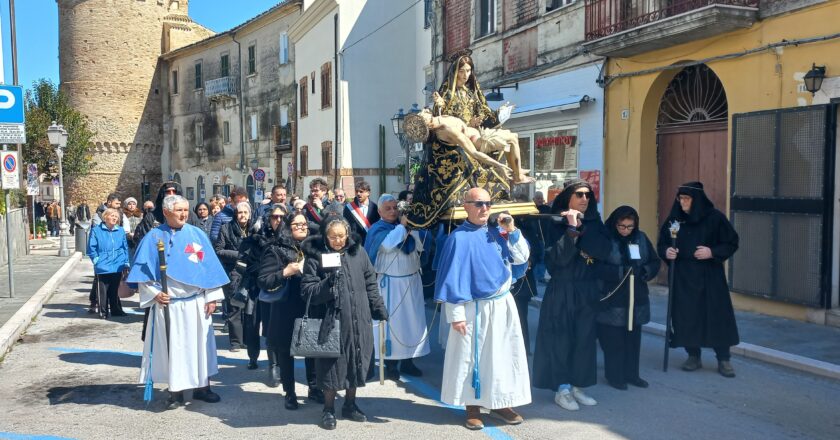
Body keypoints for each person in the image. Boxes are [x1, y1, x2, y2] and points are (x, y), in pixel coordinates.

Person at [434, 188, 531, 430]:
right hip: (472, 309)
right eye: (478, 203)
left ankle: (499, 403)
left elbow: (522, 258)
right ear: (465, 206)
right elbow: (453, 278)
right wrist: (455, 316)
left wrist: (512, 230)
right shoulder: (458, 238)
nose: (484, 208)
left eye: (487, 203)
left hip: (502, 304)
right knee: (472, 359)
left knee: (502, 356)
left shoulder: (499, 232)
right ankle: (473, 407)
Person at [128, 195, 228, 409]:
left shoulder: (197, 235)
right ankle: (176, 392)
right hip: (168, 304)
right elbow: (143, 273)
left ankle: (203, 387)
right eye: (179, 210)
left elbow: (208, 268)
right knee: (174, 348)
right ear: (166, 212)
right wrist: (155, 293)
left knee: (200, 346)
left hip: (195, 303)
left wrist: (212, 296)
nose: (184, 214)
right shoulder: (153, 237)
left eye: (186, 210)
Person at [300, 217, 388, 430]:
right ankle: (328, 409)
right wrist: (328, 284)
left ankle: (350, 404)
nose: (338, 241)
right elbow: (307, 291)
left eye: (341, 236)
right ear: (325, 236)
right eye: (333, 237)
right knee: (332, 366)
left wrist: (378, 308)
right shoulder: (316, 256)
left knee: (356, 360)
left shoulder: (358, 252)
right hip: (331, 321)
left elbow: (370, 282)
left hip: (360, 317)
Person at [532, 179, 611, 412]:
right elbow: (556, 260)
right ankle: (562, 388)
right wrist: (572, 229)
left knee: (585, 339)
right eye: (579, 194)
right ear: (568, 197)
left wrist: (583, 229)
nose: (585, 198)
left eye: (588, 194)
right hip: (562, 288)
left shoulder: (596, 222)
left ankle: (579, 385)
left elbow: (603, 251)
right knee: (561, 339)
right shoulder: (555, 222)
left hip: (586, 289)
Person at [657, 181, 740, 378]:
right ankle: (693, 355)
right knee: (687, 315)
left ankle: (723, 358)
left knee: (717, 316)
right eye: (681, 198)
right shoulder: (674, 220)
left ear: (697, 200)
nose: (683, 202)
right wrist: (667, 252)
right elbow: (663, 243)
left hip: (710, 275)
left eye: (687, 199)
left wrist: (712, 251)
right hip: (683, 275)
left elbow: (731, 242)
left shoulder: (715, 218)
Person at [258, 211, 324, 409]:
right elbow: (264, 280)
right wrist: (286, 272)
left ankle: (314, 388)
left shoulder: (315, 248)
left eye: (304, 224)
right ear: (288, 227)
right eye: (296, 225)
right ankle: (290, 393)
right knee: (287, 352)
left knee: (312, 350)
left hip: (311, 305)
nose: (302, 227)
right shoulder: (275, 249)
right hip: (287, 307)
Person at [364, 194, 428, 381]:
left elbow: (420, 247)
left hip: (411, 281)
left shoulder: (405, 227)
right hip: (390, 284)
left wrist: (413, 228)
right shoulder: (377, 229)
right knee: (393, 325)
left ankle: (409, 360)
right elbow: (387, 245)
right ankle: (391, 363)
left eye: (395, 208)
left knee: (412, 323)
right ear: (380, 211)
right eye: (388, 208)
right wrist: (402, 226)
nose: (393, 211)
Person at [597, 206, 660, 390]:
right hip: (613, 295)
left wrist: (645, 272)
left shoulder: (641, 238)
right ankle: (615, 376)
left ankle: (632, 374)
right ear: (615, 224)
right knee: (613, 340)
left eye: (630, 227)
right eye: (622, 226)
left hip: (636, 296)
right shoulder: (606, 239)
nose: (625, 230)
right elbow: (596, 267)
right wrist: (620, 272)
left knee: (633, 339)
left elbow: (654, 261)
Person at [215, 201, 253, 352]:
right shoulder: (226, 228)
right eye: (240, 212)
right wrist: (239, 255)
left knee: (250, 309)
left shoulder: (255, 229)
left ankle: (248, 340)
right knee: (235, 307)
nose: (242, 215)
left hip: (251, 272)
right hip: (233, 272)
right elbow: (218, 250)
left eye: (245, 212)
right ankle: (236, 342)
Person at [87, 208, 130, 318]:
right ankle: (103, 311)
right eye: (112, 216)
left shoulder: (120, 230)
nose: (114, 218)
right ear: (105, 217)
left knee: (115, 290)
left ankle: (116, 310)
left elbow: (124, 247)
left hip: (117, 264)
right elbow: (91, 248)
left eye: (116, 216)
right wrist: (96, 260)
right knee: (103, 291)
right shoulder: (96, 230)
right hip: (103, 264)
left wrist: (126, 262)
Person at [532, 191, 550, 283]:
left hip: (545, 237)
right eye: (537, 198)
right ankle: (535, 277)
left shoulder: (547, 208)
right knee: (536, 257)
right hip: (534, 238)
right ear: (533, 199)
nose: (539, 200)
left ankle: (540, 276)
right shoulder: (531, 208)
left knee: (543, 258)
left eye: (540, 198)